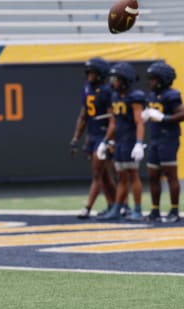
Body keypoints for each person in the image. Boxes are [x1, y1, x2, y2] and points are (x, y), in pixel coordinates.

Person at [96, 62, 146, 221]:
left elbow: (139, 121)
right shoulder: (115, 96)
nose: (113, 82)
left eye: (116, 79)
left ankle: (137, 209)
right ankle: (118, 207)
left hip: (131, 140)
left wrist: (139, 142)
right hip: (119, 141)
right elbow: (113, 122)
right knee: (121, 177)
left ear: (125, 80)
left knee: (133, 175)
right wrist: (105, 141)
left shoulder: (135, 96)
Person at [141, 61, 184, 223]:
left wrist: (164, 118)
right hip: (155, 139)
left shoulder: (172, 95)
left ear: (163, 79)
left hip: (168, 139)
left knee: (170, 176)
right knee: (153, 175)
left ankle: (174, 210)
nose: (151, 82)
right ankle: (155, 210)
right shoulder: (152, 96)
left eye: (154, 79)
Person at [69, 57, 116, 219]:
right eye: (88, 72)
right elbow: (83, 116)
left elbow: (112, 119)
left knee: (98, 173)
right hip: (93, 133)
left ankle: (88, 207)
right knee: (103, 175)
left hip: (104, 133)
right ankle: (114, 205)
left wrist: (107, 140)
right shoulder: (87, 88)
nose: (89, 75)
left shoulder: (107, 91)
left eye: (93, 72)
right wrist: (76, 138)